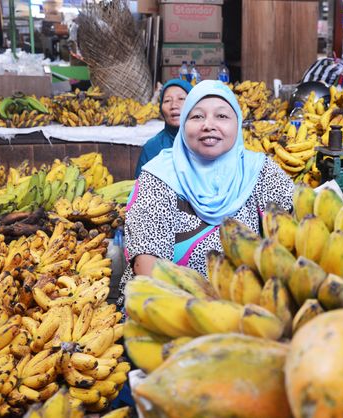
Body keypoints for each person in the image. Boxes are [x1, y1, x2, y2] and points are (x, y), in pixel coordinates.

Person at [119, 80, 294, 307]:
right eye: (197, 116)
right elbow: (146, 263)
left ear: (237, 123)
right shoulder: (159, 176)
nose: (208, 125)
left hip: (249, 307)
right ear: (183, 125)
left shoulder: (259, 170)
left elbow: (294, 231)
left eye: (222, 116)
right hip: (169, 308)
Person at [134, 79, 192, 177]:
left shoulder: (205, 144)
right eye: (167, 100)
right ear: (161, 108)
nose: (174, 105)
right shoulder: (152, 148)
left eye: (181, 99)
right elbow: (139, 188)